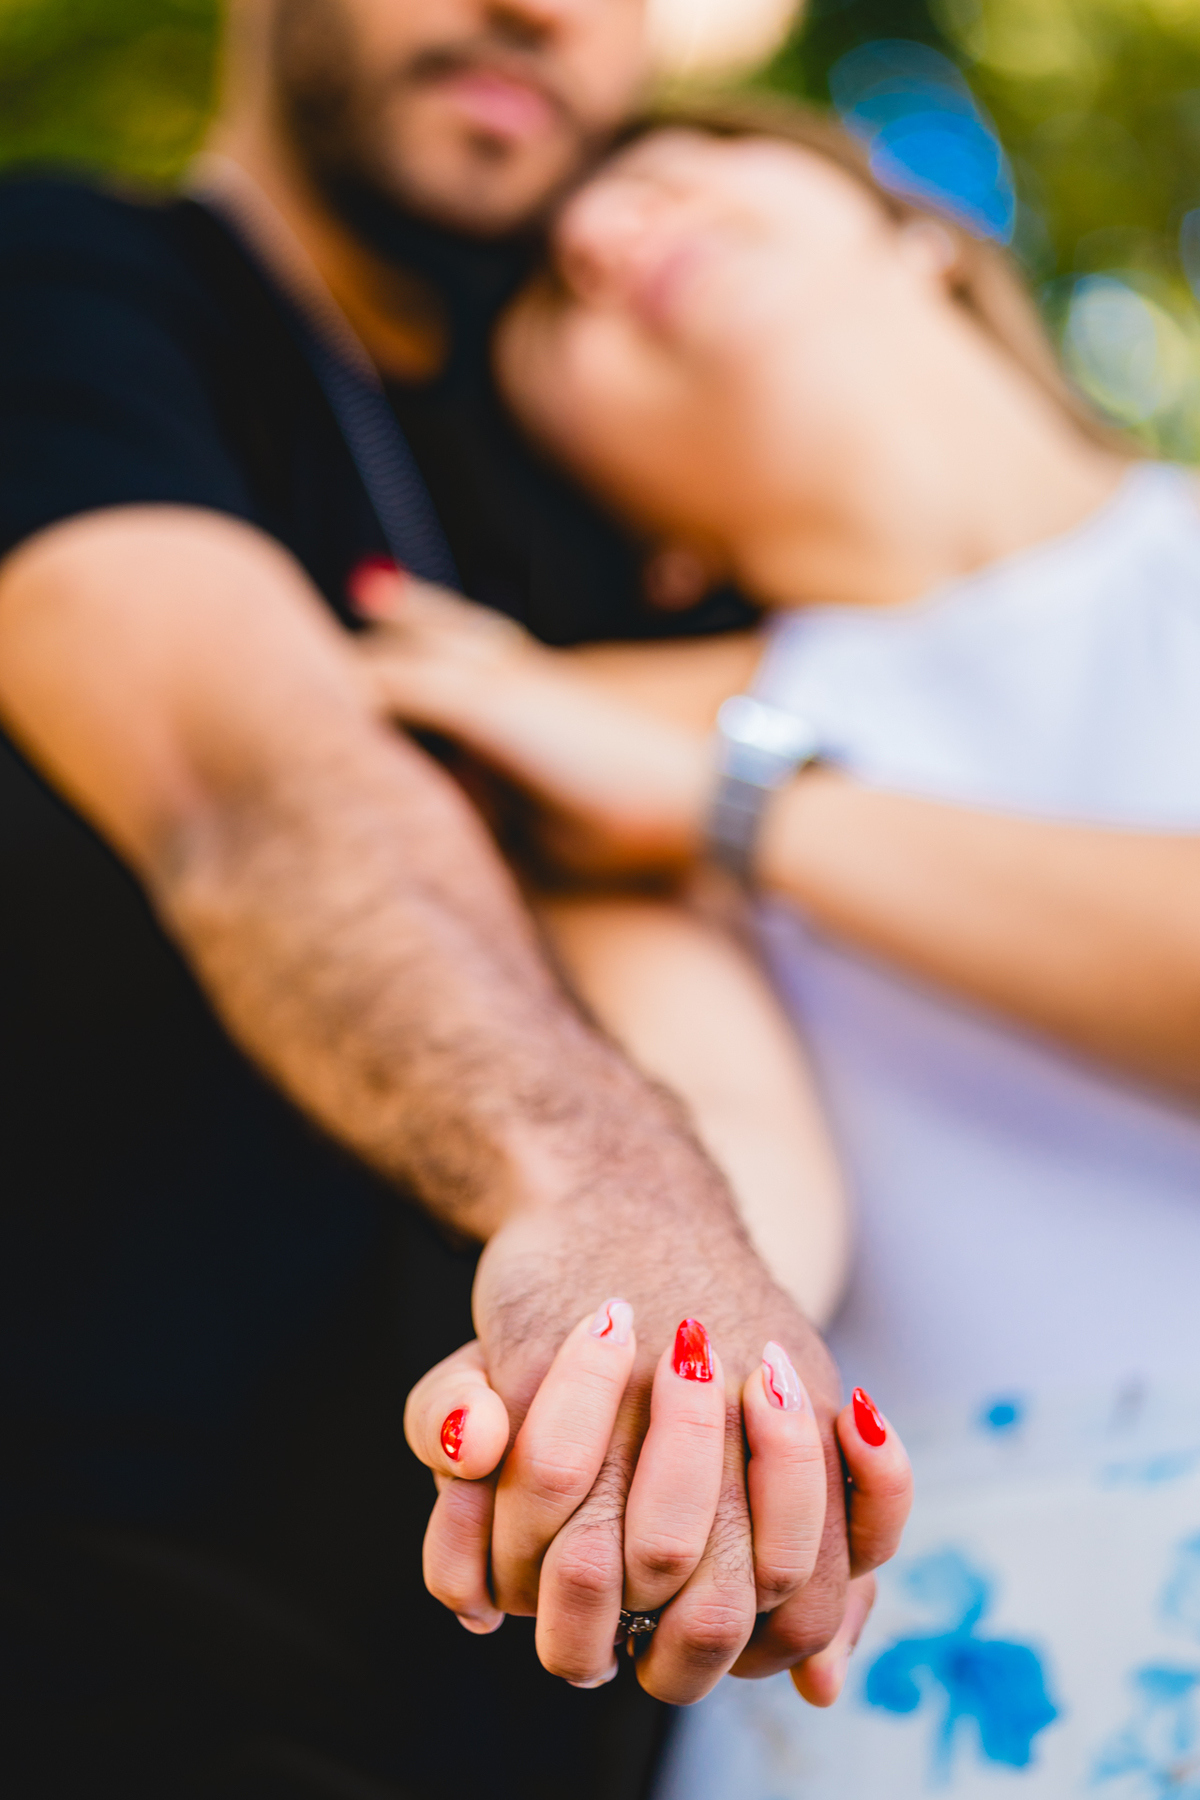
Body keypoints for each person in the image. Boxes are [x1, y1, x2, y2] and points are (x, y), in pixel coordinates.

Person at [0, 9, 916, 1796]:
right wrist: (608, 1195)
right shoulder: (74, 287)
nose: (539, 10)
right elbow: (239, 791)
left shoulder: (629, 429)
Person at [349, 100, 1200, 1795]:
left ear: (921, 235)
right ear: (638, 532)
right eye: (557, 295)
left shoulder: (645, 770)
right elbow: (731, 1171)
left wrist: (732, 803)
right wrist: (639, 1371)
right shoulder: (577, 751)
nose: (603, 234)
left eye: (676, 164)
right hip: (927, 1690)